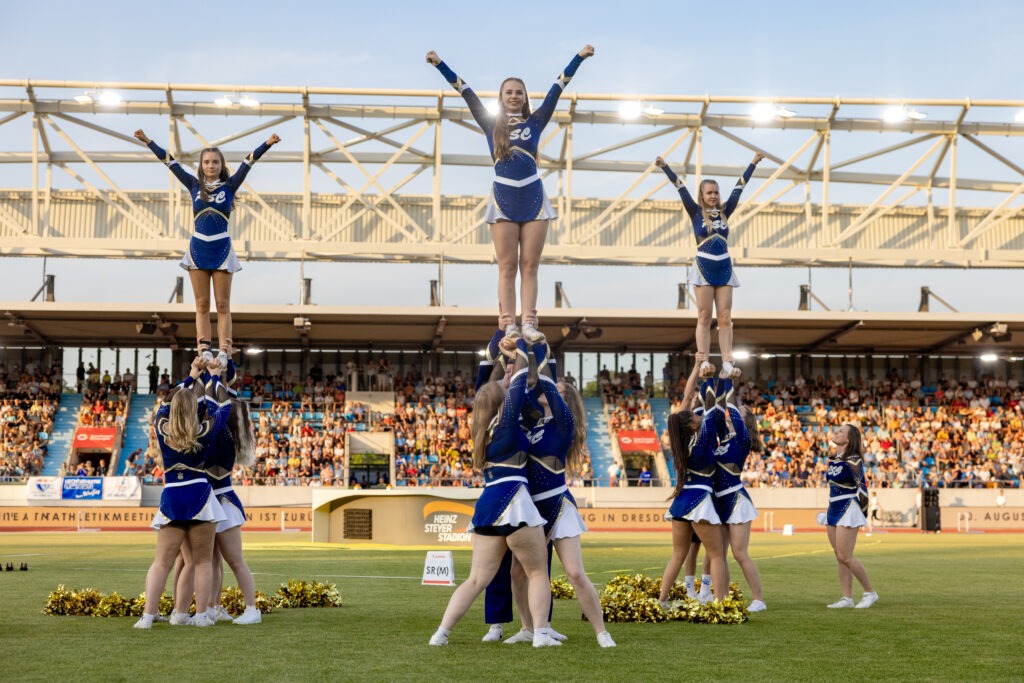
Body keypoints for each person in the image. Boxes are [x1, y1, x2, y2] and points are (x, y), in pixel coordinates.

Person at [426, 46, 595, 342]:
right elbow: (464, 91)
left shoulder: (536, 122)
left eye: (519, 92)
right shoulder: (491, 124)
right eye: (509, 92)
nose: (514, 96)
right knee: (507, 266)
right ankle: (508, 323)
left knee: (530, 264)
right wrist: (440, 64)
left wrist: (579, 58)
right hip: (503, 199)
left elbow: (559, 86)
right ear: (501, 97)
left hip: (533, 198)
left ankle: (529, 320)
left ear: (525, 97)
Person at [429, 339, 557, 647]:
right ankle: (540, 633)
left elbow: (507, 385)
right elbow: (517, 380)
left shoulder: (483, 430)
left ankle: (441, 633)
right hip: (515, 501)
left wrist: (504, 361)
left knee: (476, 580)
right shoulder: (508, 421)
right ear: (502, 400)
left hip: (487, 505)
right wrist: (518, 348)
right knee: (538, 572)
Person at [501, 341, 615, 647]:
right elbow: (518, 390)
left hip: (557, 504)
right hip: (530, 507)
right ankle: (529, 628)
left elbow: (547, 383)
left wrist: (536, 345)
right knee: (517, 573)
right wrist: (514, 353)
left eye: (558, 391)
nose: (548, 390)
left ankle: (601, 632)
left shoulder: (564, 424)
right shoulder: (535, 420)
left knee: (575, 572)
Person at [133, 129, 281, 363]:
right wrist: (148, 141)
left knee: (222, 304)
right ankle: (204, 348)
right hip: (198, 249)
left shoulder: (230, 187)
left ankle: (224, 350)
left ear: (221, 165)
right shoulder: (193, 185)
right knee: (202, 304)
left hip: (221, 248)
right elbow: (170, 162)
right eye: (206, 162)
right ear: (201, 166)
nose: (210, 165)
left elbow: (248, 162)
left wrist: (268, 143)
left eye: (215, 162)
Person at [134, 356, 229, 629]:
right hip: (200, 495)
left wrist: (191, 376)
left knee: (162, 563)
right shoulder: (204, 430)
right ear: (194, 410)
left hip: (172, 496)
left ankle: (148, 617)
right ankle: (199, 616)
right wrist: (213, 377)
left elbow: (165, 403)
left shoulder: (163, 428)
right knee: (201, 562)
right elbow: (222, 407)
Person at [655, 152, 764, 375]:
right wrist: (665, 166)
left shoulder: (725, 211)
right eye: (709, 192)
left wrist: (753, 162)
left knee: (725, 317)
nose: (713, 196)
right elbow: (680, 186)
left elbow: (740, 187)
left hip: (724, 268)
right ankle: (703, 360)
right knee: (704, 316)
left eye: (716, 192)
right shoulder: (695, 211)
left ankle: (727, 362)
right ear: (702, 195)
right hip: (704, 267)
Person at [658, 361, 730, 605]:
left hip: (681, 501)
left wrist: (699, 371)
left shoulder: (681, 444)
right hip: (699, 499)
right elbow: (714, 409)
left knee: (677, 555)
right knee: (717, 554)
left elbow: (693, 402)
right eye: (694, 416)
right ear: (691, 424)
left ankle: (662, 599)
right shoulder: (701, 438)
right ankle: (721, 604)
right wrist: (710, 379)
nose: (699, 415)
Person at [712, 378, 766, 612]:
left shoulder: (743, 439)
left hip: (735, 499)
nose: (732, 412)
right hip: (719, 499)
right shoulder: (725, 437)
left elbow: (730, 406)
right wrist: (716, 384)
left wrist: (728, 376)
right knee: (719, 554)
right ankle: (720, 599)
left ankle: (758, 600)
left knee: (739, 553)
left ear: (744, 420)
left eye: (738, 412)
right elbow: (716, 410)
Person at [824, 424, 878, 609]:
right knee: (839, 556)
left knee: (846, 556)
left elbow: (862, 488)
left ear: (848, 439)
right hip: (833, 507)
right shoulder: (832, 459)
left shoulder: (854, 460)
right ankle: (847, 598)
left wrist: (861, 514)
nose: (836, 432)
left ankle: (870, 592)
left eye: (841, 431)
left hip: (848, 507)